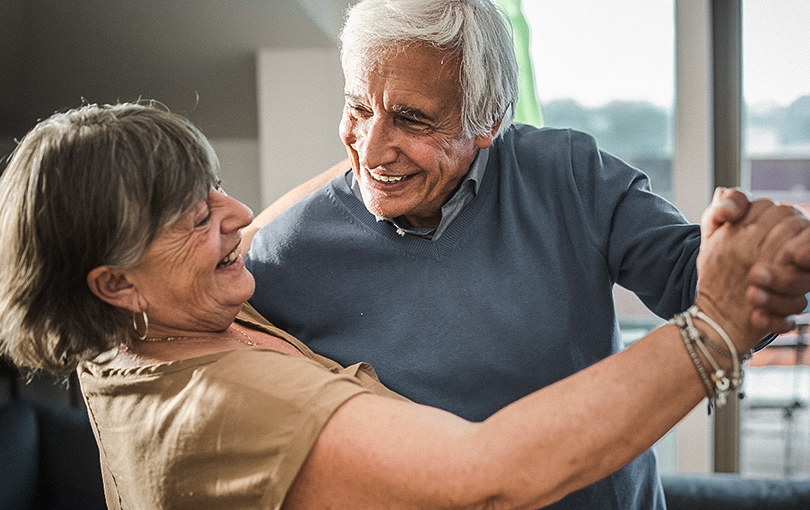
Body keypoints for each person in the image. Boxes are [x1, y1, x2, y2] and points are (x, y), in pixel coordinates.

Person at [2, 102, 810, 509]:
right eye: (195, 217)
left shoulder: (142, 330)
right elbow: (490, 476)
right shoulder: (217, 408)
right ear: (114, 281)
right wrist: (716, 326)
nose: (237, 215)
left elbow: (300, 200)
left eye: (212, 188)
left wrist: (417, 124)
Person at [244, 1, 810, 508]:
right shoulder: (286, 254)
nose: (370, 150)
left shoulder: (568, 172)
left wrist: (764, 260)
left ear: (489, 120)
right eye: (358, 109)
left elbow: (698, 281)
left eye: (411, 119)